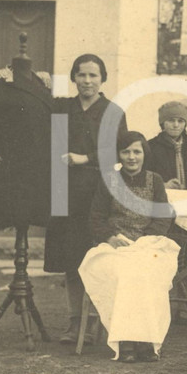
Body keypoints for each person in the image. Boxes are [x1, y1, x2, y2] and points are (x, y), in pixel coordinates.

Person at [44, 53, 128, 345]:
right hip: (65, 191)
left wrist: (86, 158)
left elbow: (121, 151)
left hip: (97, 192)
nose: (87, 81)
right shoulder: (63, 108)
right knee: (70, 259)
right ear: (74, 77)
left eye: (93, 75)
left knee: (94, 257)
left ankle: (93, 320)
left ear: (102, 79)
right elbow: (52, 143)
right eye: (81, 75)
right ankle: (74, 321)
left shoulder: (113, 112)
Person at [82, 131, 176, 363]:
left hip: (147, 244)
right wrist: (110, 237)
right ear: (119, 154)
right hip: (115, 246)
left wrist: (147, 239)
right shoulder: (109, 180)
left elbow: (163, 216)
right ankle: (125, 341)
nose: (131, 157)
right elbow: (96, 218)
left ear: (145, 154)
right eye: (126, 152)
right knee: (123, 274)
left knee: (147, 273)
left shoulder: (155, 181)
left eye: (136, 151)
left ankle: (146, 341)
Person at [147, 100, 187, 191]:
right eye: (171, 120)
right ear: (162, 123)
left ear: (185, 124)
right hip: (161, 197)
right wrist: (162, 185)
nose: (176, 125)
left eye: (180, 121)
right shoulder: (151, 147)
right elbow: (143, 176)